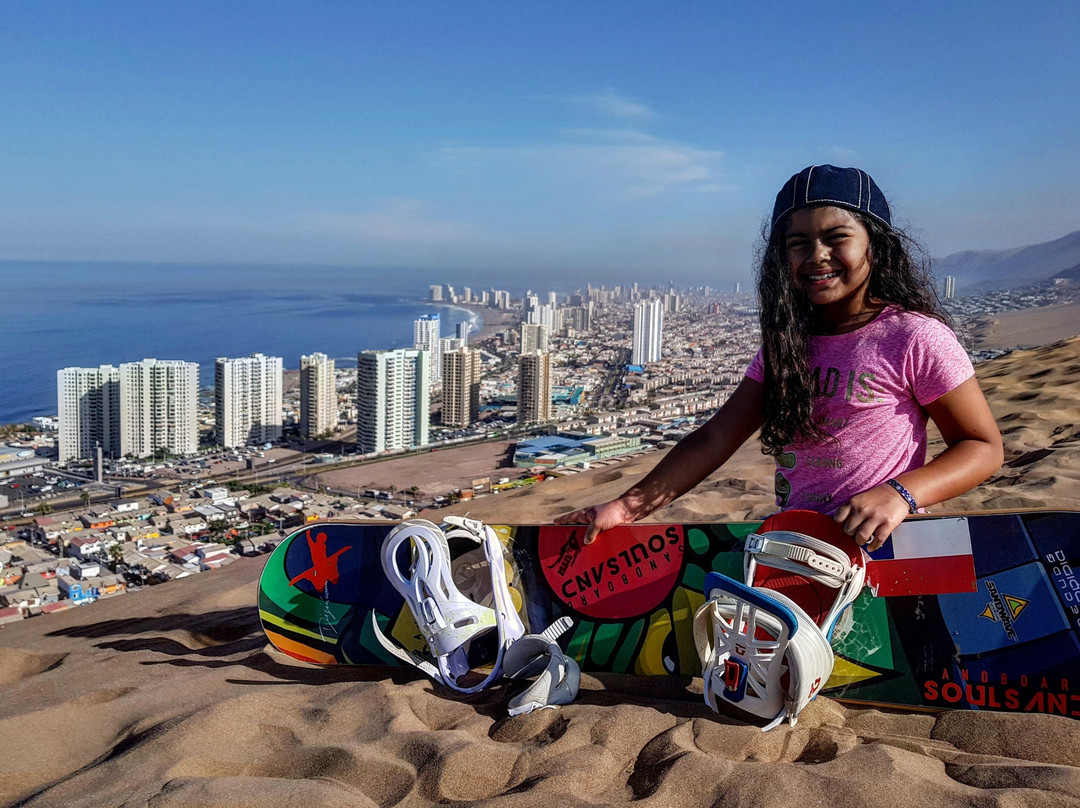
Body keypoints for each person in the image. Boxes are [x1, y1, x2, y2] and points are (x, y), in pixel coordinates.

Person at [556, 164, 1003, 550]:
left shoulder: (914, 337)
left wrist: (900, 493)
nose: (817, 256)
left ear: (876, 245)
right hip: (794, 549)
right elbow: (714, 439)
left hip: (885, 549)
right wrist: (625, 506)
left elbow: (982, 447)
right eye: (798, 243)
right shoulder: (787, 347)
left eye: (836, 237)